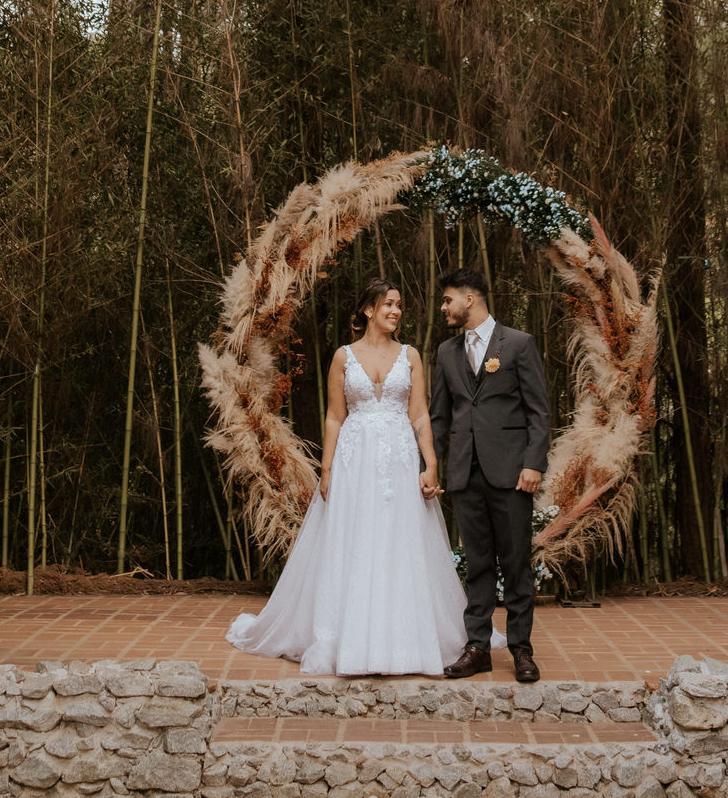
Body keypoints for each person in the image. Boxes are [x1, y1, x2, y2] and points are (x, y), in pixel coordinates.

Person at [225, 278, 469, 675]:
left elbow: (420, 414)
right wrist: (327, 468)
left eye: (399, 306)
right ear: (368, 310)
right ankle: (346, 634)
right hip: (355, 460)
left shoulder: (410, 356)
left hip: (397, 458)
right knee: (354, 541)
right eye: (388, 304)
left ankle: (402, 639)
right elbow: (335, 416)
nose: (395, 311)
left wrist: (431, 464)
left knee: (398, 541)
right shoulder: (343, 356)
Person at [429, 268, 550, 683]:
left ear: (470, 299)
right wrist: (431, 465)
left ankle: (521, 649)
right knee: (477, 565)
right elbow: (439, 417)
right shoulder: (446, 352)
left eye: (448, 300)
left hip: (512, 474)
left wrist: (533, 463)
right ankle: (477, 647)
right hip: (465, 473)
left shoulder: (517, 344)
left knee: (516, 564)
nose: (443, 307)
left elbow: (538, 410)